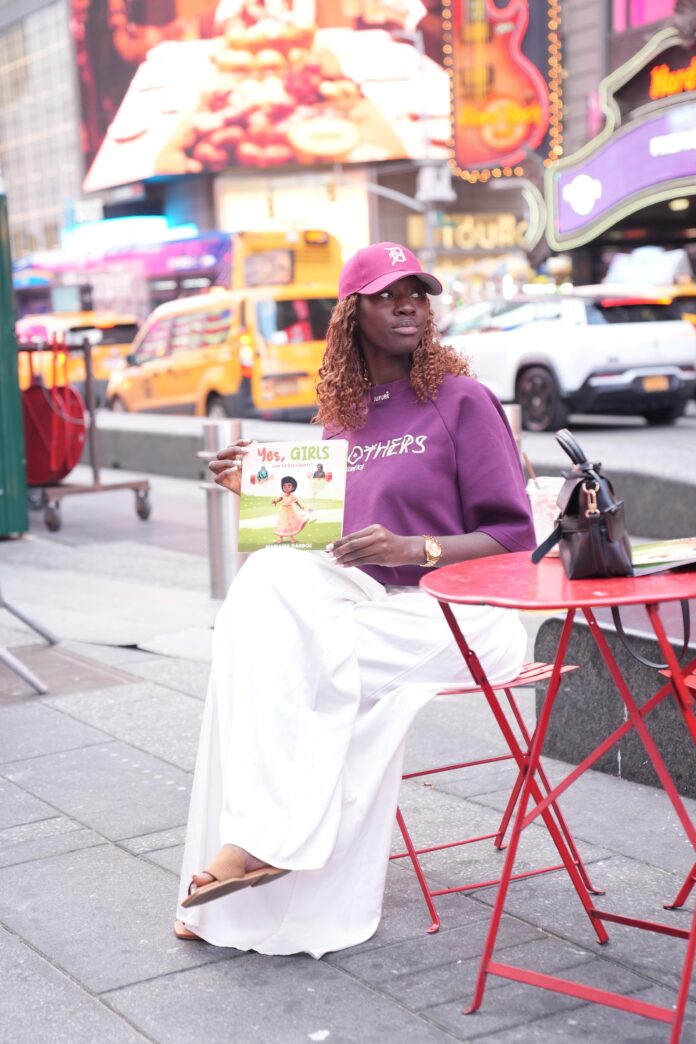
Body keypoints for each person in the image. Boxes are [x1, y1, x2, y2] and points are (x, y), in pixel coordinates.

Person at [175, 242, 535, 955]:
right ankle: (254, 865)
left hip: (462, 616)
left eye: (417, 293)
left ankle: (256, 847)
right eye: (387, 294)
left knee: (281, 666)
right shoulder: (342, 422)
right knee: (263, 593)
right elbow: (327, 547)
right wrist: (258, 496)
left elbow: (515, 537)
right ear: (351, 313)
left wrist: (414, 549)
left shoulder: (461, 401)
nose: (408, 306)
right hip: (374, 611)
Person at [271, 476, 309, 543]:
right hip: (283, 512)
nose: (286, 488)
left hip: (290, 511)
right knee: (282, 523)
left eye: (289, 486)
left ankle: (292, 538)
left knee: (291, 523)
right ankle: (280, 538)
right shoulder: (283, 495)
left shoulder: (292, 496)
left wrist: (300, 506)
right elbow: (278, 499)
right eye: (284, 486)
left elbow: (296, 502)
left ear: (293, 487)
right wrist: (275, 501)